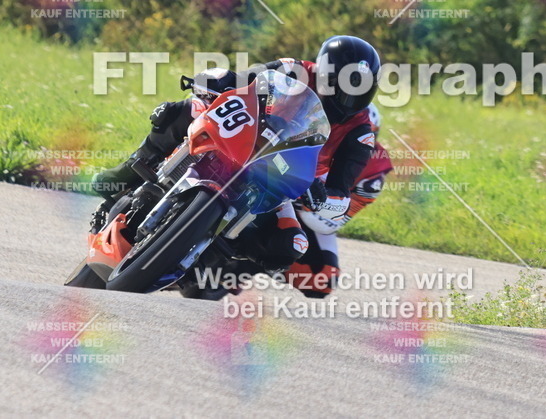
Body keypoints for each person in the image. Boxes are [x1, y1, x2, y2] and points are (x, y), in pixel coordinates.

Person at [92, 35, 382, 276]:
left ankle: (208, 255)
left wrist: (322, 197)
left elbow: (341, 194)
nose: (347, 95)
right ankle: (127, 173)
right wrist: (220, 81)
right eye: (341, 83)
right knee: (181, 110)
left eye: (358, 86)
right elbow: (245, 80)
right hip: (244, 132)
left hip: (281, 177)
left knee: (290, 245)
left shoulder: (360, 133)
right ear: (323, 72)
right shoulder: (294, 69)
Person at [286, 103, 394, 298]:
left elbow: (331, 223)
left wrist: (308, 201)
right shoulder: (312, 133)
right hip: (280, 190)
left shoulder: (373, 175)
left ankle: (262, 263)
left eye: (365, 136)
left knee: (322, 281)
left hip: (310, 215)